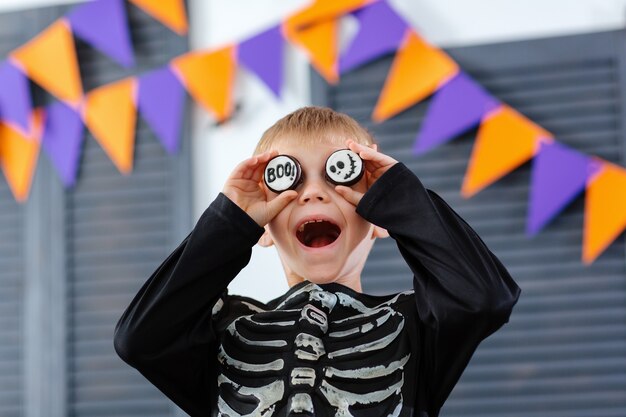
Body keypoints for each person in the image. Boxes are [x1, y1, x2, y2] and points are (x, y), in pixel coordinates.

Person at [114, 106, 521, 417]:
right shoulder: (225, 330)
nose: (312, 194)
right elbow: (140, 338)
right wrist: (230, 223)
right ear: (265, 231)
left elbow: (484, 298)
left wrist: (399, 198)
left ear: (378, 220)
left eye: (338, 175)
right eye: (289, 179)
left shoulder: (416, 326)